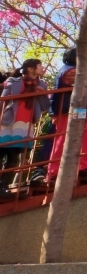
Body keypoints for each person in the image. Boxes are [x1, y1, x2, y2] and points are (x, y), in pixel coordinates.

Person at [48, 47, 87, 180]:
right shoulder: (70, 71)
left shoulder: (75, 70)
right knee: (64, 138)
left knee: (85, 134)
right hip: (67, 110)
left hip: (77, 109)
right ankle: (54, 170)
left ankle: (83, 164)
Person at [0, 59, 49, 191]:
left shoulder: (42, 85)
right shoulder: (13, 81)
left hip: (25, 123)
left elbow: (45, 107)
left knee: (14, 155)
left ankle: (3, 184)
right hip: (8, 121)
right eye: (39, 65)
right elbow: (3, 101)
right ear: (30, 68)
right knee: (2, 151)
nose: (42, 68)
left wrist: (41, 94)